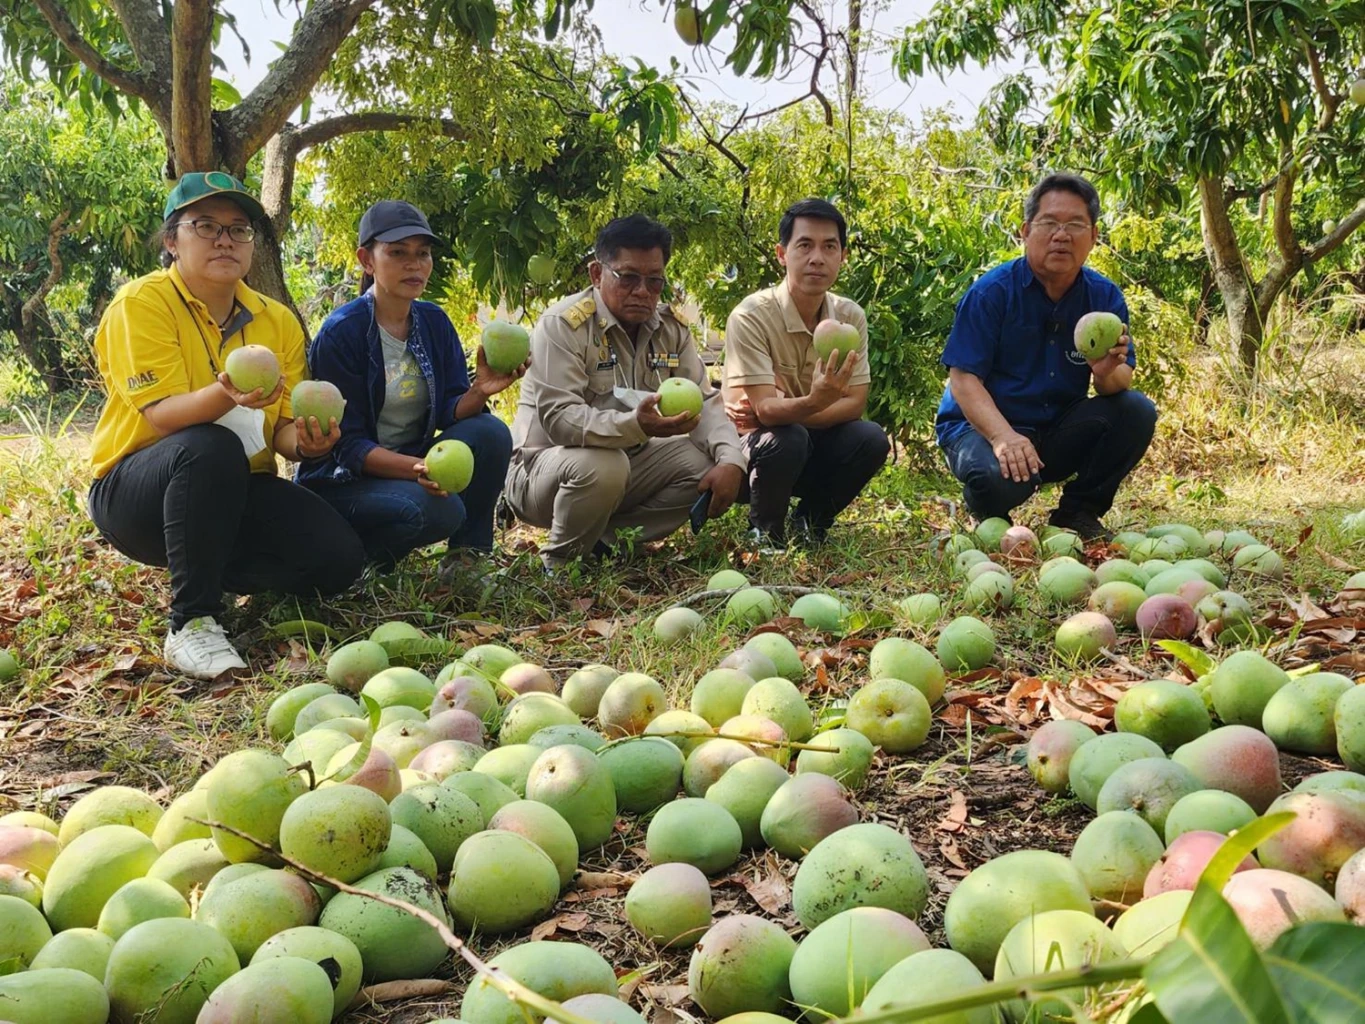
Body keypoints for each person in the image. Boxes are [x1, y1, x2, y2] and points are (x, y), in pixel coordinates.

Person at [86, 172, 365, 680]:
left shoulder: (276, 320)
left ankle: (210, 572)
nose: (225, 239)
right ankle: (191, 621)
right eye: (206, 225)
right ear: (172, 241)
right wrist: (225, 394)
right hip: (136, 492)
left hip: (235, 489)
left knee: (338, 560)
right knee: (208, 446)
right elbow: (163, 415)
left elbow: (280, 434)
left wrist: (306, 443)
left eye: (239, 229)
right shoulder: (141, 304)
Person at [505, 214, 746, 571]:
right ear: (597, 274)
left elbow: (705, 399)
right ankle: (561, 565)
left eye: (654, 281)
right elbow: (560, 420)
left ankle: (605, 543)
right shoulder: (563, 325)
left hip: (623, 463)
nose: (642, 291)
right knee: (605, 463)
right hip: (541, 471)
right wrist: (636, 425)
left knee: (705, 461)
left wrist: (731, 460)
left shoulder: (670, 328)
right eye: (628, 277)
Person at [300, 201, 524, 579]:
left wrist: (480, 392)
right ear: (366, 260)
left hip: (407, 462)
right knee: (440, 510)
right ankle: (363, 563)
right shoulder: (344, 332)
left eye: (423, 254)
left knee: (490, 432)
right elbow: (346, 447)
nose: (414, 264)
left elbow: (447, 411)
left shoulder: (433, 322)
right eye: (398, 253)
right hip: (343, 480)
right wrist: (420, 469)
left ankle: (467, 561)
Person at [935, 173, 1158, 539]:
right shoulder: (991, 293)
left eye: (1075, 225)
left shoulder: (1104, 298)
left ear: (1094, 236)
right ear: (1025, 231)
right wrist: (1003, 437)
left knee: (1136, 410)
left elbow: (1119, 383)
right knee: (998, 480)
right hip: (980, 429)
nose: (1062, 235)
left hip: (1053, 430)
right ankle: (986, 507)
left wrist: (1104, 372)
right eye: (1050, 223)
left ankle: (1077, 512)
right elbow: (963, 379)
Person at [722, 198, 890, 547]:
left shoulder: (849, 318)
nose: (817, 258)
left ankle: (810, 523)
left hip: (806, 442)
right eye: (804, 245)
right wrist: (812, 403)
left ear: (843, 255)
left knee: (871, 438)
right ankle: (764, 532)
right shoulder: (751, 316)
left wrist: (791, 408)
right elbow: (766, 411)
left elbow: (855, 405)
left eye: (830, 246)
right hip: (752, 454)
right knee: (786, 438)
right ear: (782, 254)